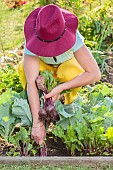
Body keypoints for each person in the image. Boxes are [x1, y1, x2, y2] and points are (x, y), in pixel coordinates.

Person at [18, 4, 101, 145]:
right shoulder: (33, 39)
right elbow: (32, 83)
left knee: (69, 72)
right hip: (45, 67)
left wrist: (62, 87)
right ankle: (41, 104)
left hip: (66, 63)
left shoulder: (74, 38)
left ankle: (65, 101)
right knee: (23, 70)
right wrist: (37, 123)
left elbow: (94, 74)